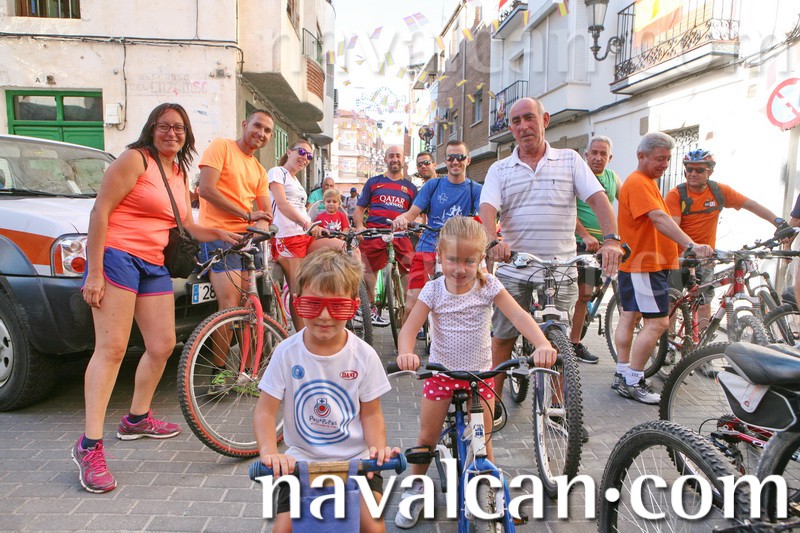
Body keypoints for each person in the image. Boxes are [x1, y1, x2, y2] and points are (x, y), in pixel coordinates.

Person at [75, 103, 240, 493]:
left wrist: (224, 234)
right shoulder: (135, 160)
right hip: (117, 257)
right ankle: (89, 446)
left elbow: (187, 225)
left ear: (187, 135)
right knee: (112, 349)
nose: (171, 133)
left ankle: (136, 419)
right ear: (151, 129)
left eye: (179, 128)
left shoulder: (178, 172)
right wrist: (94, 272)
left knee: (163, 345)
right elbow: (100, 211)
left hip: (153, 263)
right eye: (164, 126)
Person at [393, 216, 557, 529]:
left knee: (483, 442)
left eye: (469, 261)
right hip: (441, 375)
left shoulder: (488, 285)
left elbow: (519, 316)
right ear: (440, 255)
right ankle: (415, 490)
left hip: (480, 377)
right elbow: (410, 328)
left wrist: (541, 343)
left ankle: (492, 495)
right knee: (427, 438)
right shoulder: (433, 290)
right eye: (453, 260)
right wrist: (406, 353)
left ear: (481, 259)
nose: (460, 269)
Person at [479, 97, 624, 408]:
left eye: (529, 118)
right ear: (511, 129)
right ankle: (492, 406)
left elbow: (598, 199)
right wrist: (492, 241)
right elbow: (488, 207)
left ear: (544, 120)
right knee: (503, 337)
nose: (523, 126)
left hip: (560, 269)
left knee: (558, 343)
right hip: (515, 267)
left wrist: (612, 240)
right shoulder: (499, 168)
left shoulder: (570, 160)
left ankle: (557, 412)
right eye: (516, 121)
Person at [253, 249, 400, 533]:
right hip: (301, 461)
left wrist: (377, 450)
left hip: (356, 460)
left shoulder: (364, 356)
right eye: (312, 305)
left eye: (338, 307)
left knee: (373, 526)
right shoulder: (286, 353)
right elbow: (265, 412)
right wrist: (270, 453)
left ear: (354, 307)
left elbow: (372, 414)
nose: (324, 316)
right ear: (297, 302)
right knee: (283, 528)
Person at [615, 133, 713, 404]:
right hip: (646, 264)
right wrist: (691, 244)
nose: (665, 164)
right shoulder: (639, 182)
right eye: (660, 158)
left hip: (639, 262)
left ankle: (622, 373)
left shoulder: (645, 181)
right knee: (658, 323)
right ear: (641, 156)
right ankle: (633, 381)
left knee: (629, 316)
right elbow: (658, 218)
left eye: (668, 159)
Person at [665, 148, 789, 330]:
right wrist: (689, 249)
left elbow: (750, 204)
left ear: (710, 171)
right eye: (689, 169)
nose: (693, 173)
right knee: (672, 302)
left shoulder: (718, 191)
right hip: (679, 256)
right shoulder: (676, 195)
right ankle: (668, 342)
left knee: (704, 303)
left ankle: (703, 345)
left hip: (706, 258)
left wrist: (778, 222)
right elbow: (673, 229)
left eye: (699, 170)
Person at [197, 109, 276, 392]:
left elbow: (265, 210)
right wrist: (247, 215)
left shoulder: (259, 170)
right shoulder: (221, 147)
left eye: (267, 131)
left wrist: (262, 222)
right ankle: (218, 374)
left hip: (247, 240)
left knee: (249, 308)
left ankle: (245, 375)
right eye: (257, 126)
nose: (261, 133)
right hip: (218, 235)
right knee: (229, 306)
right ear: (244, 125)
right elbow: (206, 190)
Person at [393, 140, 481, 324]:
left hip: (459, 252)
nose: (455, 161)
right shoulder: (433, 186)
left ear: (468, 160)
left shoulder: (475, 190)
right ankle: (406, 341)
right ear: (445, 161)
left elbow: (484, 219)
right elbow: (411, 213)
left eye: (460, 157)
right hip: (428, 247)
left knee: (467, 304)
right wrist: (402, 218)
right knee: (411, 305)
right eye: (451, 157)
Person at [269, 139, 340, 331]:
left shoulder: (296, 182)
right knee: (297, 292)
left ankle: (343, 302)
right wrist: (306, 224)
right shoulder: (277, 172)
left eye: (309, 155)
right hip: (286, 237)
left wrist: (315, 226)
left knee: (342, 247)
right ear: (289, 152)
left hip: (304, 236)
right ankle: (301, 337)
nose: (305, 158)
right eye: (301, 152)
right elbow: (282, 204)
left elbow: (302, 210)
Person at [569, 135, 623, 364]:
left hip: (604, 248)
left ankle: (576, 335)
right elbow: (568, 210)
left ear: (610, 158)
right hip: (580, 245)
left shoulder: (612, 178)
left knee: (589, 293)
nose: (598, 158)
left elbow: (627, 205)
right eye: (594, 153)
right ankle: (572, 343)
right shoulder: (578, 175)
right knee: (583, 294)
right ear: (586, 155)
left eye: (603, 154)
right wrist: (584, 235)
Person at [354, 145, 417, 327]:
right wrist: (359, 226)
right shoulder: (373, 182)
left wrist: (414, 224)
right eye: (391, 156)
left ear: (403, 159)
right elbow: (359, 209)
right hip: (375, 233)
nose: (394, 159)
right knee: (366, 269)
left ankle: (409, 311)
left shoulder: (410, 187)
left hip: (400, 234)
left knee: (410, 270)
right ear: (385, 159)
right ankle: (370, 307)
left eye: (398, 156)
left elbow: (417, 213)